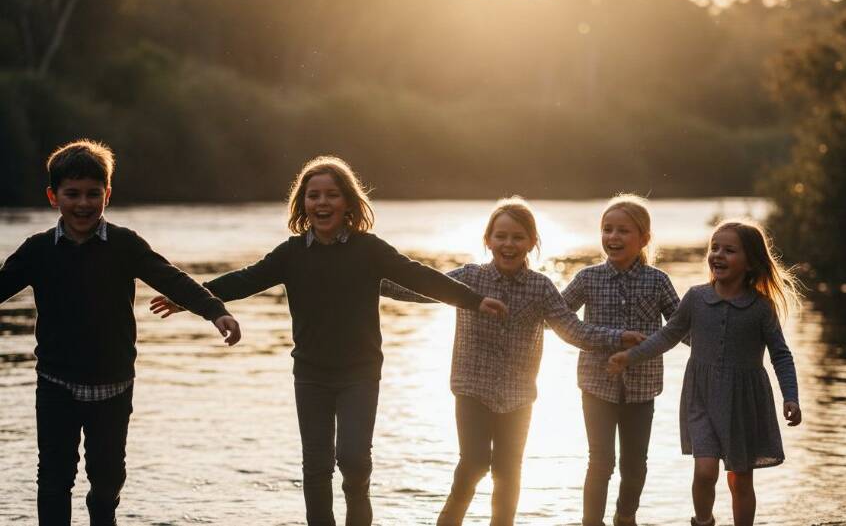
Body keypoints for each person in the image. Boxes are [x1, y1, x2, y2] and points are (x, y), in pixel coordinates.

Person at [150, 155, 507, 526]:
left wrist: (474, 300)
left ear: (348, 202)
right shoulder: (291, 254)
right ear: (303, 203)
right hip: (311, 374)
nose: (322, 203)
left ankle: (358, 507)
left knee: (354, 460)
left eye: (332, 195)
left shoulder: (368, 249)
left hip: (360, 373)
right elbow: (244, 279)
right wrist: (190, 298)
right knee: (316, 467)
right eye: (313, 195)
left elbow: (418, 276)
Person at [0, 139, 241, 526]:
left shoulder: (124, 245)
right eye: (72, 194)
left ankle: (103, 512)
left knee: (107, 475)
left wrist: (215, 311)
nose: (83, 203)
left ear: (107, 195)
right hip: (55, 382)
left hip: (113, 385)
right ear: (53, 196)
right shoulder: (37, 250)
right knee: (54, 477)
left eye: (93, 194)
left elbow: (171, 279)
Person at [382, 197, 645, 526]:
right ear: (488, 240)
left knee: (508, 474)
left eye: (518, 237)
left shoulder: (541, 287)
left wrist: (617, 337)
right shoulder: (469, 277)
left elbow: (573, 330)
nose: (508, 244)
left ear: (532, 243)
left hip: (519, 397)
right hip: (471, 388)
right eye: (501, 236)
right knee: (474, 463)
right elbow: (421, 290)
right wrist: (370, 281)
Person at [607, 219, 803, 526]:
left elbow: (780, 354)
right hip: (702, 399)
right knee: (705, 471)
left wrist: (790, 397)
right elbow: (667, 335)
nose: (718, 255)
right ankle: (703, 521)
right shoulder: (696, 298)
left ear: (750, 262)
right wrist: (630, 357)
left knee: (740, 479)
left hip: (743, 402)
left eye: (729, 250)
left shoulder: (761, 307)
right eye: (714, 248)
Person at [561, 194, 680, 526]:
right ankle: (591, 522)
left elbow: (681, 328)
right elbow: (558, 318)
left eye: (623, 231)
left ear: (643, 238)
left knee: (635, 463)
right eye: (607, 229)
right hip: (596, 384)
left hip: (643, 388)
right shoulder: (588, 278)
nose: (613, 237)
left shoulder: (658, 281)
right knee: (600, 460)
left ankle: (625, 516)